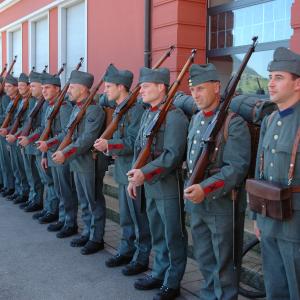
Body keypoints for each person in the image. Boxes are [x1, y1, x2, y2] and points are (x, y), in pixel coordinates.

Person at [183, 63, 251, 300]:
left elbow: (236, 169)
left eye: (201, 89)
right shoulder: (196, 120)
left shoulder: (233, 123)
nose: (196, 95)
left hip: (222, 206)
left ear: (217, 88)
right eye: (193, 90)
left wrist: (205, 188)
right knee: (204, 258)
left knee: (224, 266)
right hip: (198, 204)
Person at [127, 67, 188, 300]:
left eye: (145, 86)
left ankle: (173, 281)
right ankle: (160, 271)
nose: (141, 90)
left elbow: (172, 155)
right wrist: (134, 177)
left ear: (161, 87)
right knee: (158, 233)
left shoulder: (173, 116)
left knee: (173, 234)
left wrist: (145, 173)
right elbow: (139, 148)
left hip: (168, 186)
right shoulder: (148, 113)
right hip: (149, 184)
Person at [94, 64, 151, 276]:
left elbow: (134, 141)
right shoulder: (119, 109)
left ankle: (142, 256)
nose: (105, 90)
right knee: (126, 216)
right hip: (122, 170)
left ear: (121, 87)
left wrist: (110, 145)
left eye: (109, 86)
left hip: (133, 170)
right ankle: (127, 250)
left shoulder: (135, 110)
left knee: (138, 217)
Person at [253, 47, 300, 300]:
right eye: (270, 77)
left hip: (296, 224)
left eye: (279, 77)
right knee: (275, 288)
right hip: (268, 217)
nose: (271, 83)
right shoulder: (269, 120)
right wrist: (256, 217)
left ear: (297, 83)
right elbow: (259, 172)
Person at [52, 70, 106, 255]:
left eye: (73, 87)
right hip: (78, 162)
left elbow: (87, 138)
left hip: (89, 163)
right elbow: (69, 134)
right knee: (84, 200)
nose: (69, 90)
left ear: (83, 89)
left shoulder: (93, 110)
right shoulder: (77, 108)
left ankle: (96, 238)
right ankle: (87, 232)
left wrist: (65, 153)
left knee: (94, 201)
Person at [36, 72, 78, 236]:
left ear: (57, 89)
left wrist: (51, 147)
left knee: (66, 190)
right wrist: (45, 155)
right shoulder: (49, 106)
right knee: (60, 190)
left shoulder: (64, 107)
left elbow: (66, 134)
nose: (44, 91)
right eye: (43, 88)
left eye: (47, 88)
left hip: (62, 154)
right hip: (52, 154)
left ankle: (70, 222)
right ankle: (63, 218)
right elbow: (46, 132)